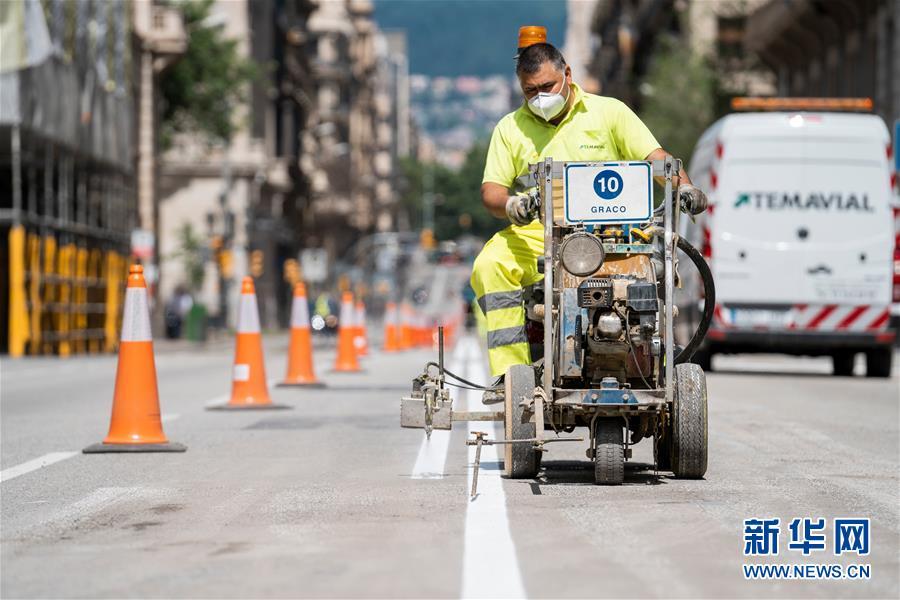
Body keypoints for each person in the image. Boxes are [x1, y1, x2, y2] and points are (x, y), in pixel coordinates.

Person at [472, 33, 706, 397]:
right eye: (530, 91)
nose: (540, 98)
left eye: (547, 86)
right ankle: (510, 375)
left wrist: (684, 186)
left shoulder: (608, 112)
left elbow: (655, 157)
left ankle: (652, 357)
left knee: (650, 273)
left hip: (616, 232)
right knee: (490, 264)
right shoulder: (510, 128)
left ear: (567, 73)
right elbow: (492, 190)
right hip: (542, 232)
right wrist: (511, 205)